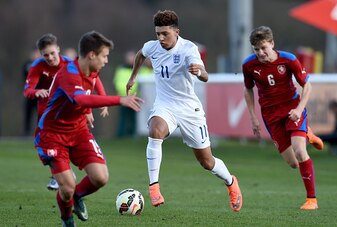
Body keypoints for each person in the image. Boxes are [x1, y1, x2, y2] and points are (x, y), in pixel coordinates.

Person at [126, 10, 242, 212]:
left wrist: (200, 73)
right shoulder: (152, 47)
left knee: (206, 162)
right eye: (158, 34)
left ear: (176, 32)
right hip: (165, 105)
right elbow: (140, 55)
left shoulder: (188, 49)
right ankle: (154, 187)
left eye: (165, 34)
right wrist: (133, 76)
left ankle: (231, 182)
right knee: (155, 131)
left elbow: (205, 76)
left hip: (189, 109)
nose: (161, 38)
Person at [34, 31, 143, 227]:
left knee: (101, 177)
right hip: (52, 135)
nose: (106, 60)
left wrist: (96, 105)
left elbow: (94, 82)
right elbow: (81, 98)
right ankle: (67, 219)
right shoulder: (68, 73)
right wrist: (118, 100)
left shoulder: (92, 69)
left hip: (78, 131)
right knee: (66, 188)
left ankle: (77, 197)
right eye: (104, 56)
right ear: (92, 55)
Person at [242, 26, 322, 210]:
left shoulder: (289, 60)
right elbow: (247, 89)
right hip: (270, 116)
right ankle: (307, 134)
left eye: (264, 48)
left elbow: (307, 86)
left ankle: (312, 200)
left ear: (272, 44)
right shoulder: (249, 65)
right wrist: (253, 118)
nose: (261, 53)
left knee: (300, 152)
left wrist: (300, 109)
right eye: (256, 49)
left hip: (292, 110)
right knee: (293, 163)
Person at [24, 34, 108, 192]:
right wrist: (36, 92)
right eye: (45, 55)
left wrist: (94, 106)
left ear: (58, 49)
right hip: (48, 114)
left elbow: (92, 80)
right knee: (53, 145)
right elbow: (27, 90)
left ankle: (65, 176)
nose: (49, 57)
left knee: (73, 139)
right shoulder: (37, 67)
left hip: (71, 111)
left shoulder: (69, 64)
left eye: (52, 53)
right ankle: (61, 175)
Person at [113, 50, 138, 137]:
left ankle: (132, 134)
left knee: (133, 117)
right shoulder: (121, 69)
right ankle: (121, 134)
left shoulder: (138, 69)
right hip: (123, 97)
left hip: (135, 97)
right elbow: (117, 81)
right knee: (123, 116)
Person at [22, 49, 40, 136]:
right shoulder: (28, 64)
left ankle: (40, 131)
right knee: (28, 114)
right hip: (30, 94)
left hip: (39, 94)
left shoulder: (42, 65)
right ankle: (26, 132)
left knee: (40, 113)